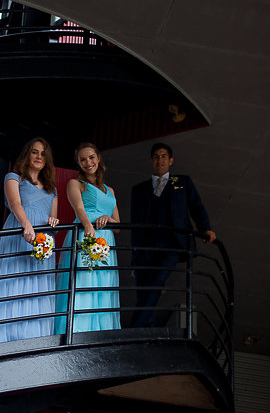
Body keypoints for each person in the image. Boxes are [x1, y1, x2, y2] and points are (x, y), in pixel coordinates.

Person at [0, 138, 59, 345]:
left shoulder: (52, 189)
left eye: (43, 154)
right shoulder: (13, 177)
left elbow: (53, 218)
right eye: (34, 152)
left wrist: (53, 222)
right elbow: (15, 204)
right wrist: (26, 225)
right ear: (27, 155)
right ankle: (5, 338)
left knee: (38, 286)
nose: (39, 157)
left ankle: (34, 338)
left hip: (43, 241)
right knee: (14, 280)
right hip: (19, 234)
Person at [130, 142, 215, 327]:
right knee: (145, 287)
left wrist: (205, 228)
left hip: (173, 244)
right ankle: (147, 329)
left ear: (171, 160)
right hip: (146, 245)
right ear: (151, 161)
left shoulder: (183, 183)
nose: (160, 160)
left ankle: (134, 327)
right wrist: (135, 253)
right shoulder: (139, 189)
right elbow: (135, 223)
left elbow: (196, 207)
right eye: (156, 157)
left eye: (163, 156)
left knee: (158, 279)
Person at [54, 143, 121, 333]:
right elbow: (79, 208)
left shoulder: (111, 190)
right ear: (78, 163)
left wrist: (108, 218)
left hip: (107, 240)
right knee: (85, 282)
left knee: (104, 285)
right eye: (83, 159)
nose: (88, 162)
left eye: (91, 157)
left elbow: (117, 226)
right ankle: (78, 331)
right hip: (87, 235)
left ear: (98, 159)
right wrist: (88, 226)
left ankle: (103, 332)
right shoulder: (76, 183)